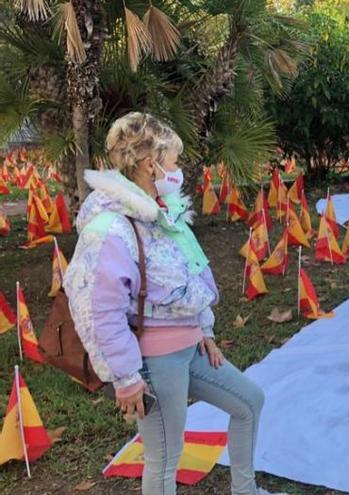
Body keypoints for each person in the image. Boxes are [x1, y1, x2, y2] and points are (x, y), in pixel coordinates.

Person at [64, 112, 269, 495]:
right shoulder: (110, 227)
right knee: (164, 459)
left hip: (191, 348)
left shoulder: (163, 213)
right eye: (173, 161)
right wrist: (125, 378)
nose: (179, 169)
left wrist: (203, 329)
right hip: (155, 362)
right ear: (150, 164)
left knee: (249, 402)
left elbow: (192, 274)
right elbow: (97, 309)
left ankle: (247, 491)